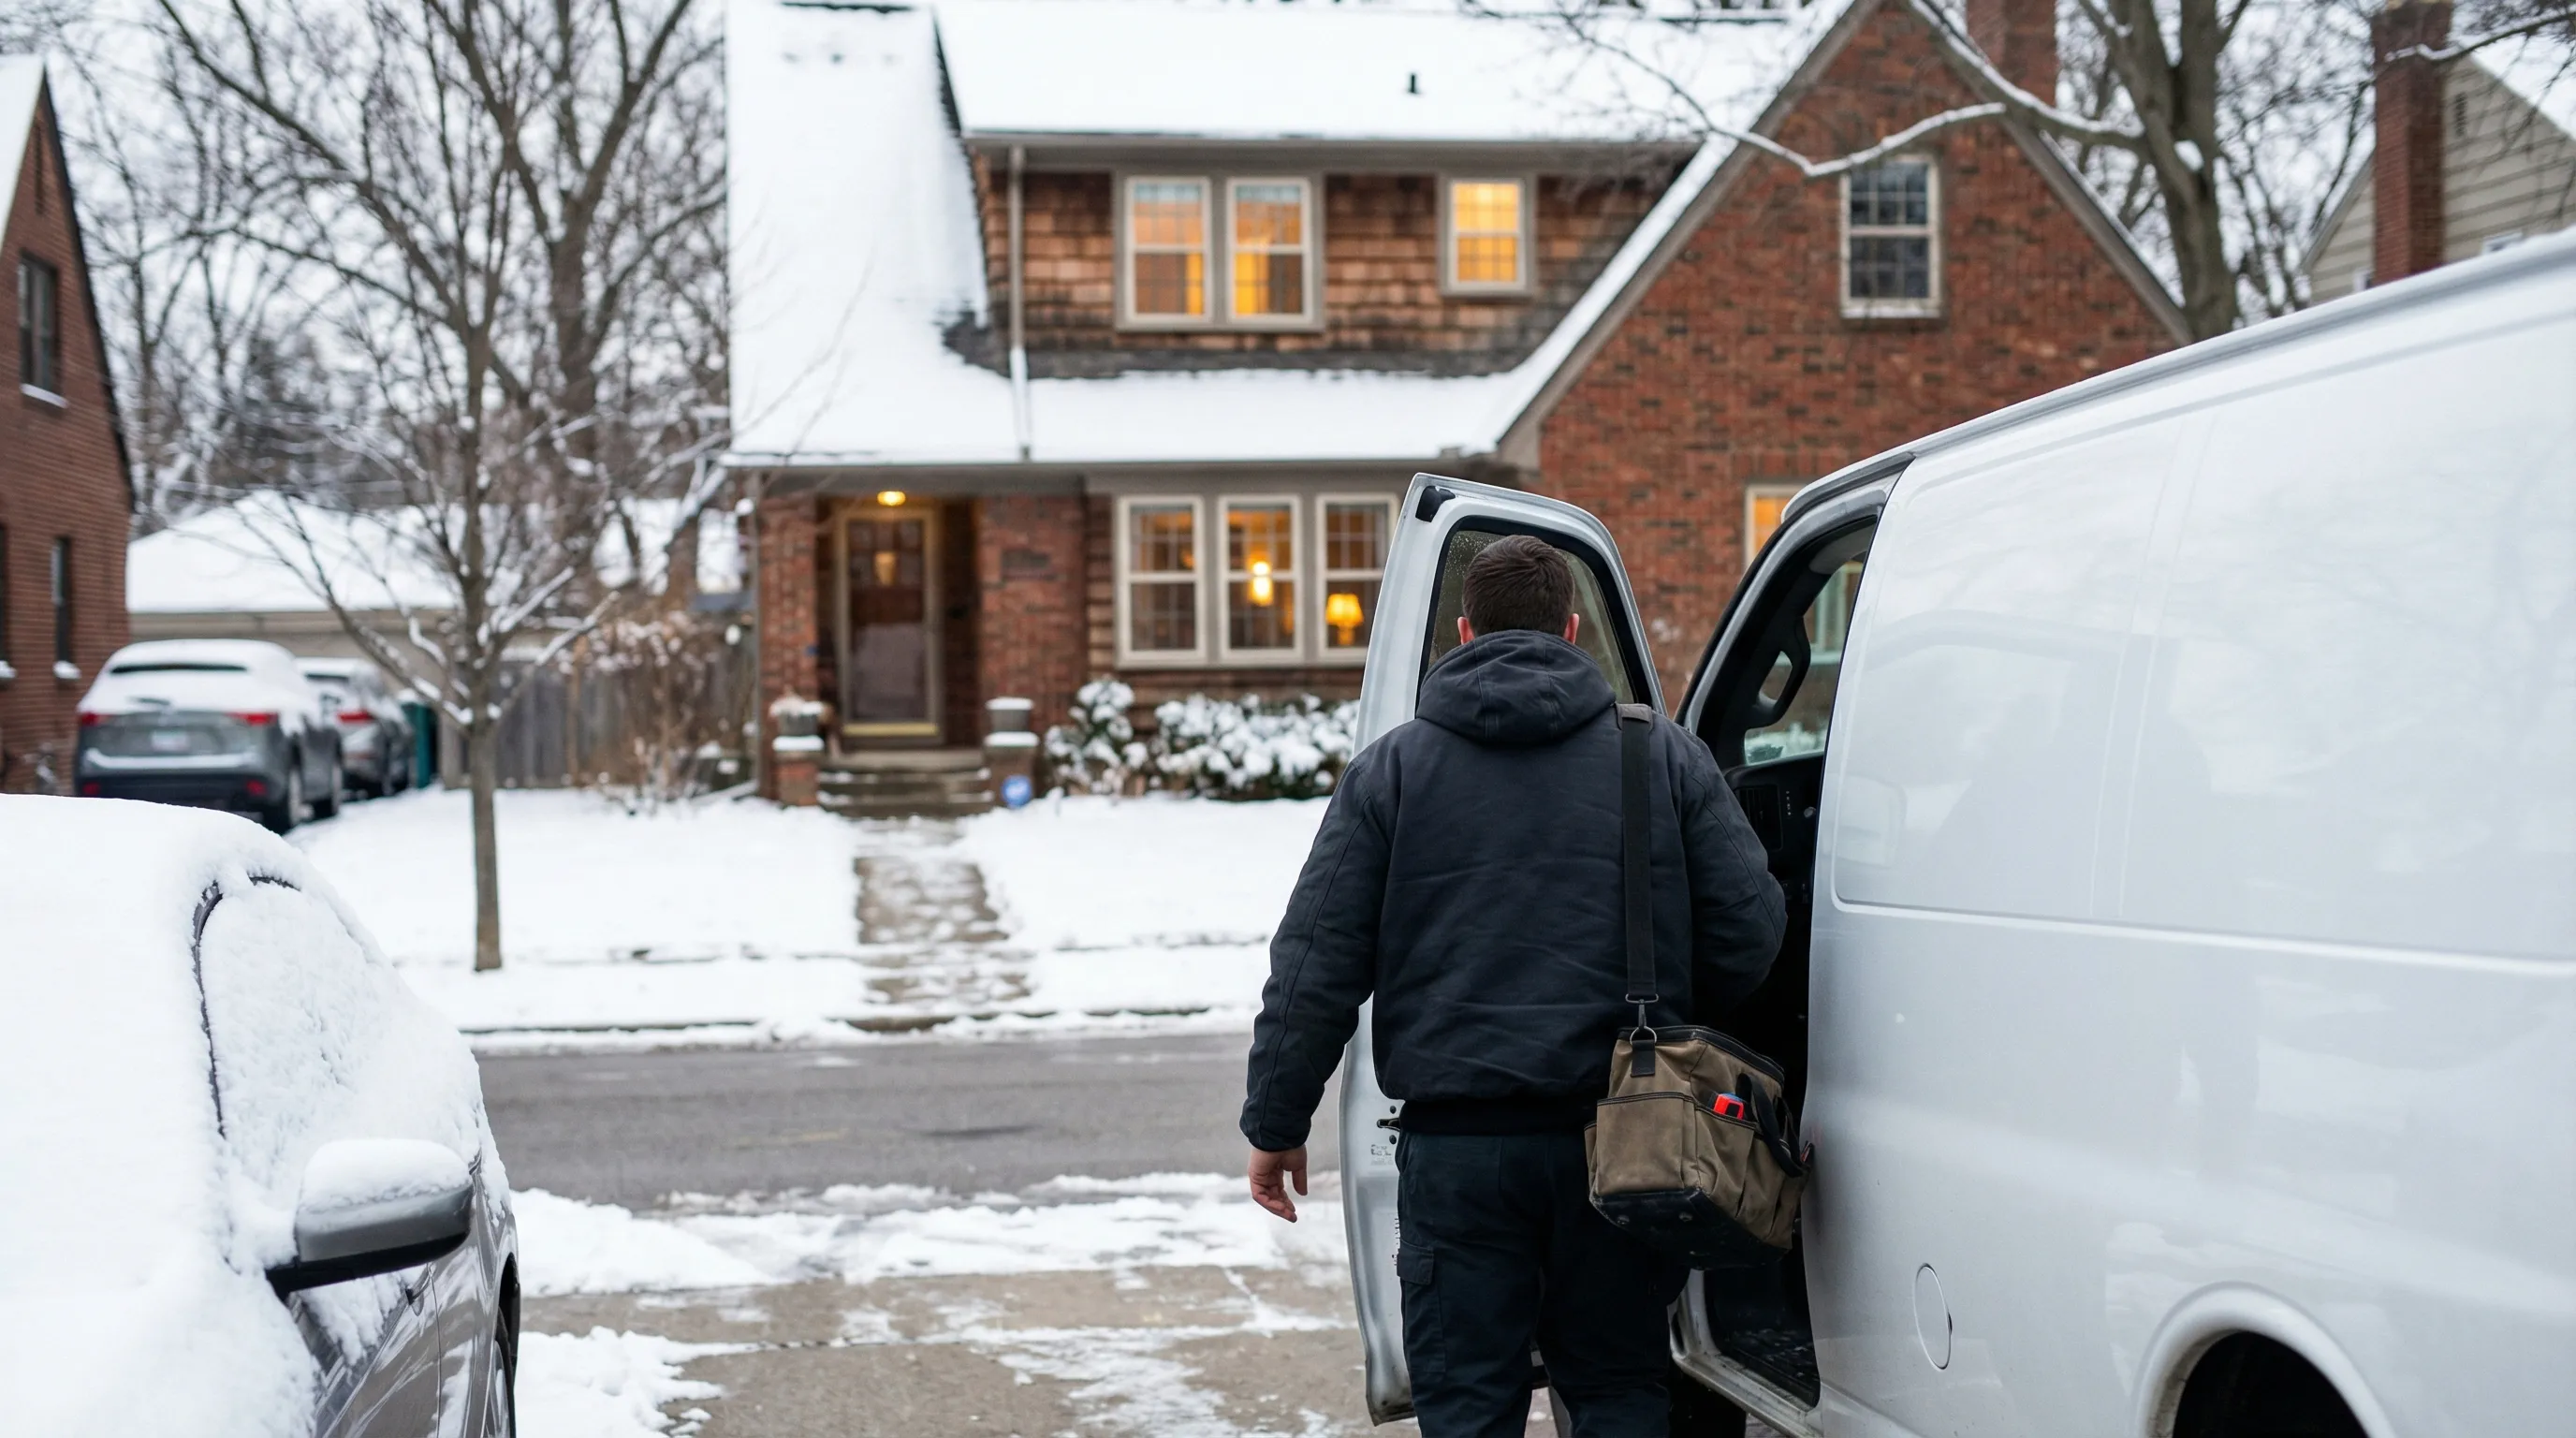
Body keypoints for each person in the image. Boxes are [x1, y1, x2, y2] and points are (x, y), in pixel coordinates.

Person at [1238, 535, 1787, 1438]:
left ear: (1462, 633)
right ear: (1573, 630)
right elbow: (1752, 927)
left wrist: (1276, 1123)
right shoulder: (1661, 756)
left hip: (1459, 1158)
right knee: (1617, 1387)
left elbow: (1315, 962)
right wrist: (1678, 1016)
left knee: (1466, 1405)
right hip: (1625, 1139)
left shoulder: (1394, 770)